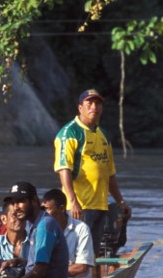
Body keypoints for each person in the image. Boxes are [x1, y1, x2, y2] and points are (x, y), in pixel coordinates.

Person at [54, 88, 132, 256]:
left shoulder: (103, 135)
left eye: (97, 103)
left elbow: (109, 173)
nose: (94, 107)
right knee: (75, 253)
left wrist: (120, 202)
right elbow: (63, 169)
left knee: (93, 254)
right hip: (79, 207)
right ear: (80, 107)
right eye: (89, 103)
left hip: (100, 205)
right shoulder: (70, 133)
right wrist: (73, 201)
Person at [41, 188, 96, 278]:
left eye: (47, 209)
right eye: (42, 209)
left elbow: (81, 266)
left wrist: (49, 273)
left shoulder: (81, 228)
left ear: (61, 209)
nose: (44, 214)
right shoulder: (41, 228)